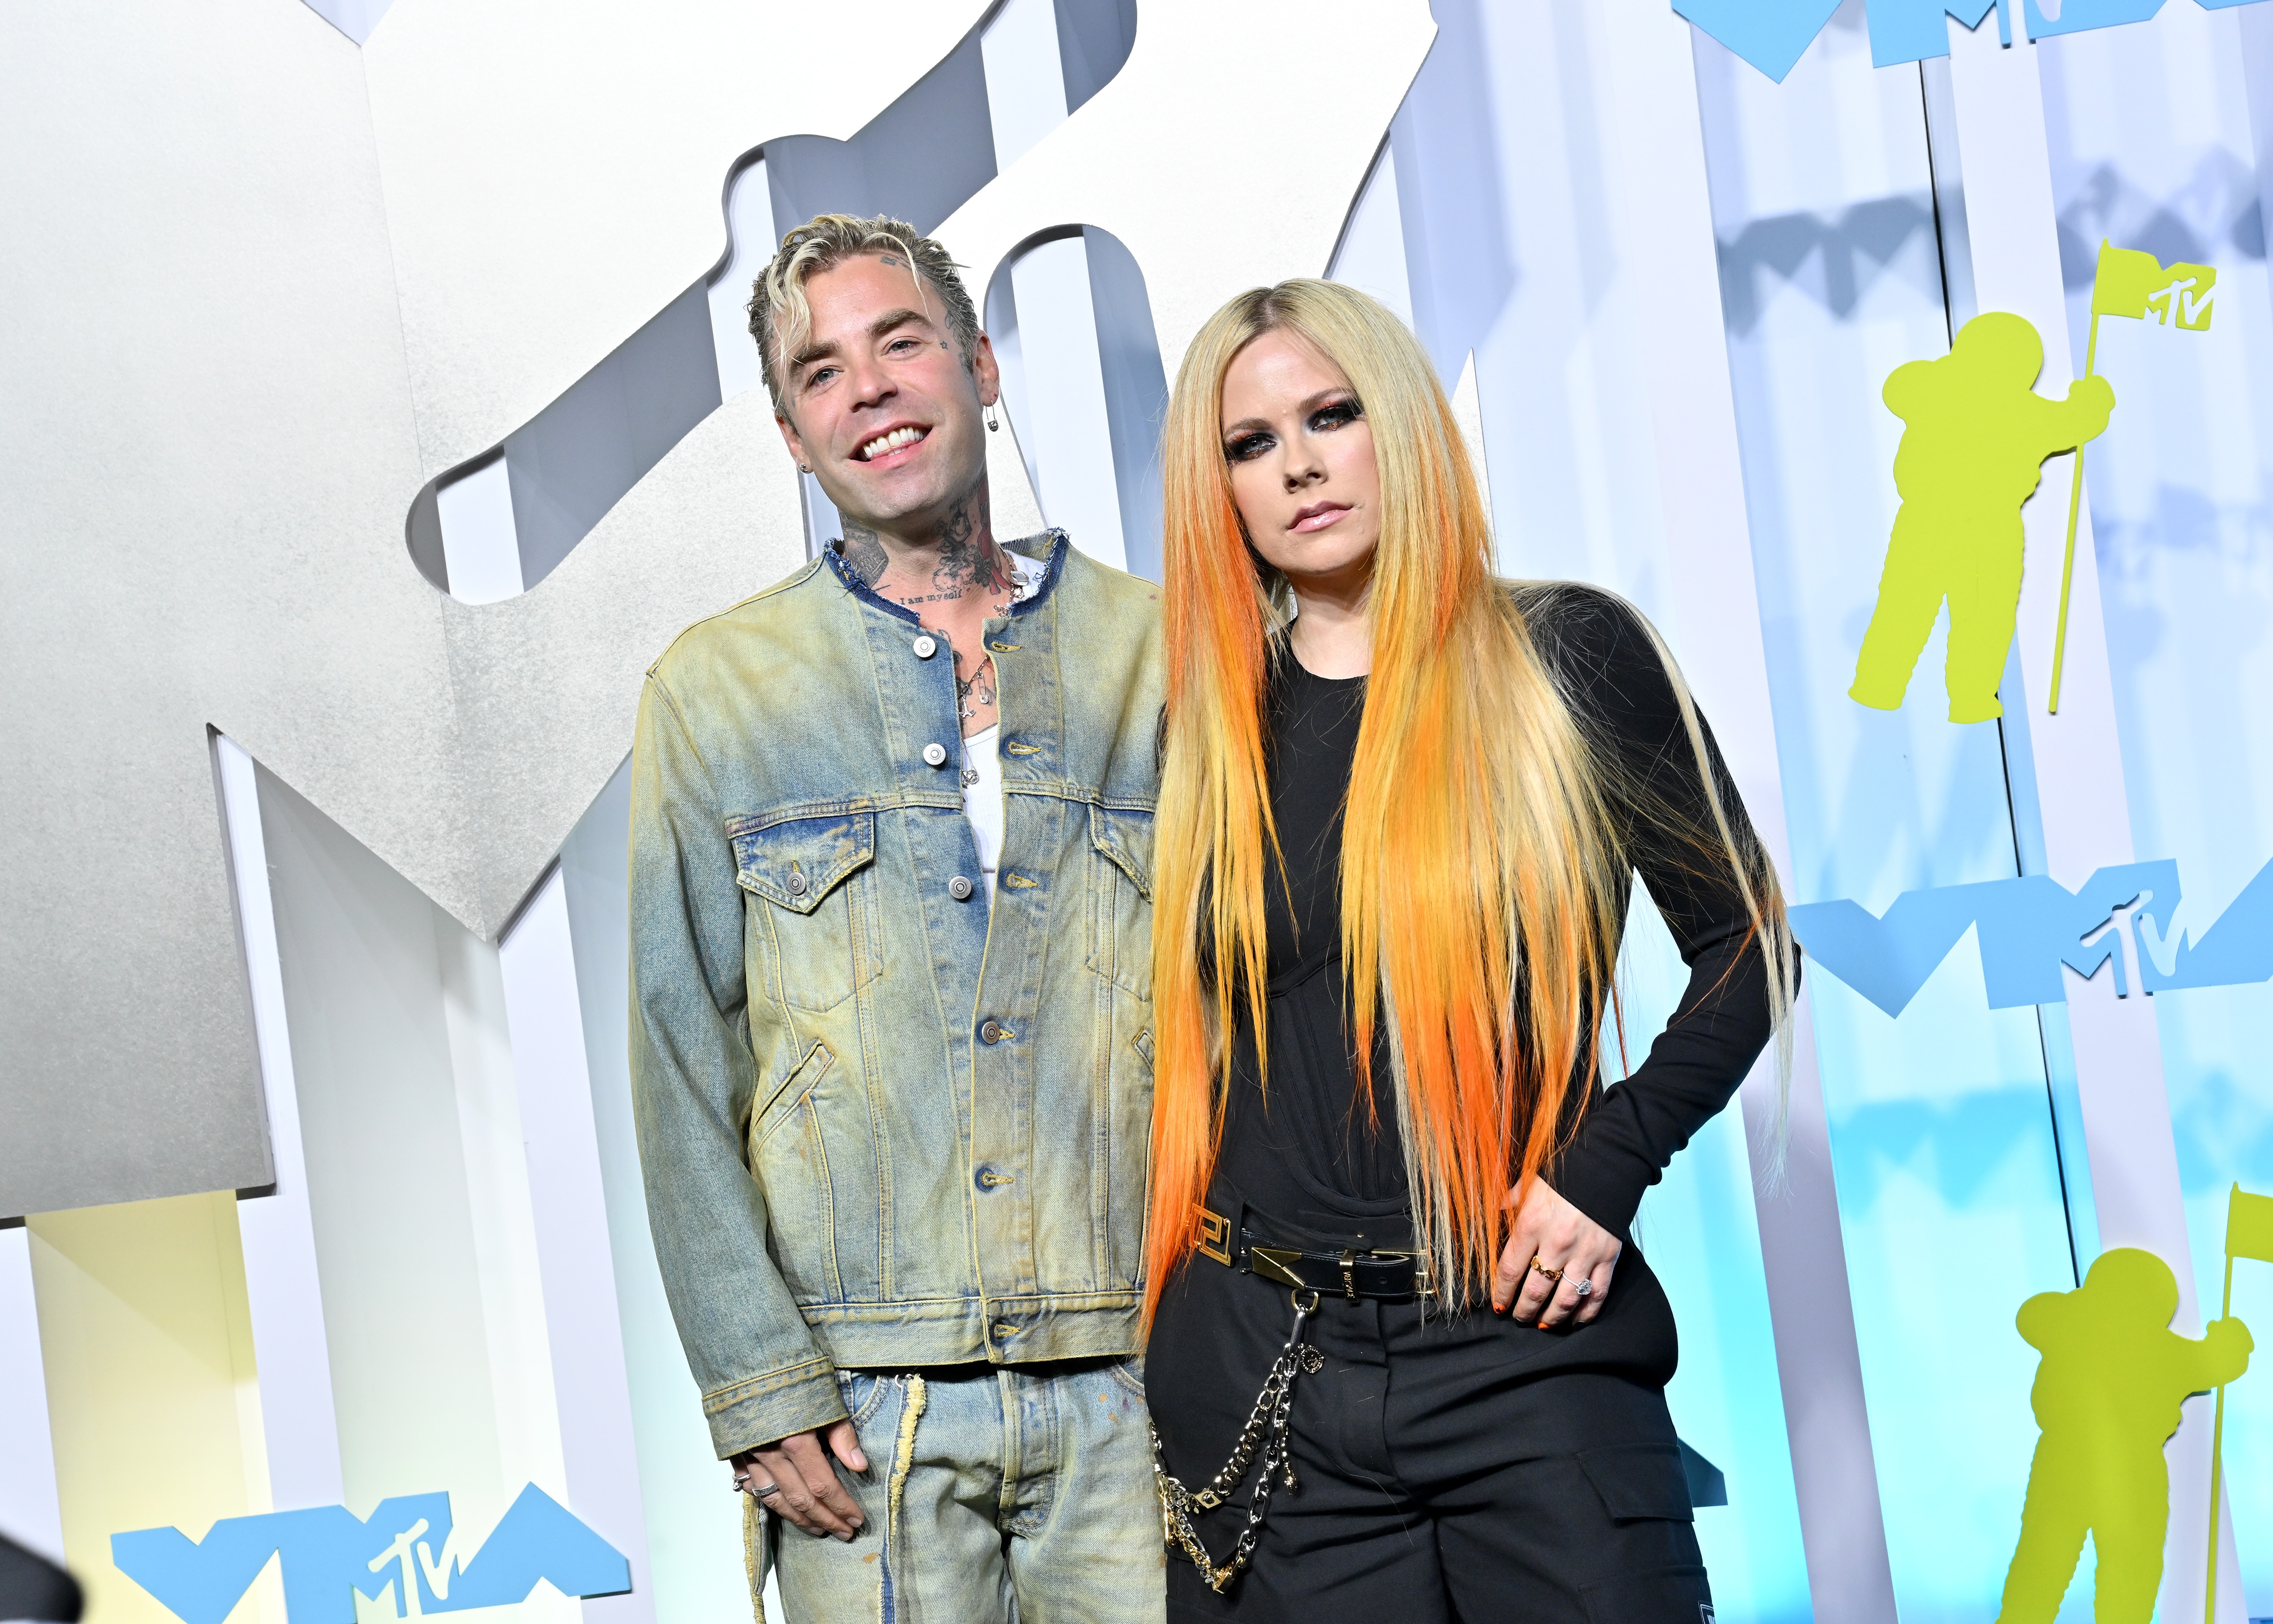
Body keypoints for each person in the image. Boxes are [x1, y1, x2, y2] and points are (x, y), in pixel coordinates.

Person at [1140, 279, 1798, 1621]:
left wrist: (1604, 1166)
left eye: (1331, 415)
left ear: (1400, 421)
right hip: (1272, 1374)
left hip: (1523, 1338)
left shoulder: (1568, 656)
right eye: (1251, 443)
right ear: (1220, 490)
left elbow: (1747, 942)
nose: (1299, 465)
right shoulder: (1206, 730)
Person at [628, 213, 1165, 1623]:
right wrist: (756, 1381)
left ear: (980, 366)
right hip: (863, 1412)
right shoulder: (716, 689)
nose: (866, 387)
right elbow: (680, 1055)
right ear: (792, 438)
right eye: (820, 371)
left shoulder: (1164, 652)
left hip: (1140, 1372)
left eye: (900, 341)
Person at [1849, 311, 2113, 723]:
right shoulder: (2024, 410)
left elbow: (1897, 386)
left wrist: (1948, 370)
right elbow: (2076, 422)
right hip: (1984, 526)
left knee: (1909, 607)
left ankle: (1881, 686)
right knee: (1981, 617)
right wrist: (2093, 398)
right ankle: (1967, 699)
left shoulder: (1935, 388)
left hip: (1936, 518)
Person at [1996, 1248, 2251, 1623]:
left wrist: (2231, 1341)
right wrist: (2231, 1338)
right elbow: (2221, 1361)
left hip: (2077, 1462)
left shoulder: (2070, 1324)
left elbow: (2032, 1315)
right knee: (2117, 1579)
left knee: (2054, 1569)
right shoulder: (2155, 1346)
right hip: (2117, 1468)